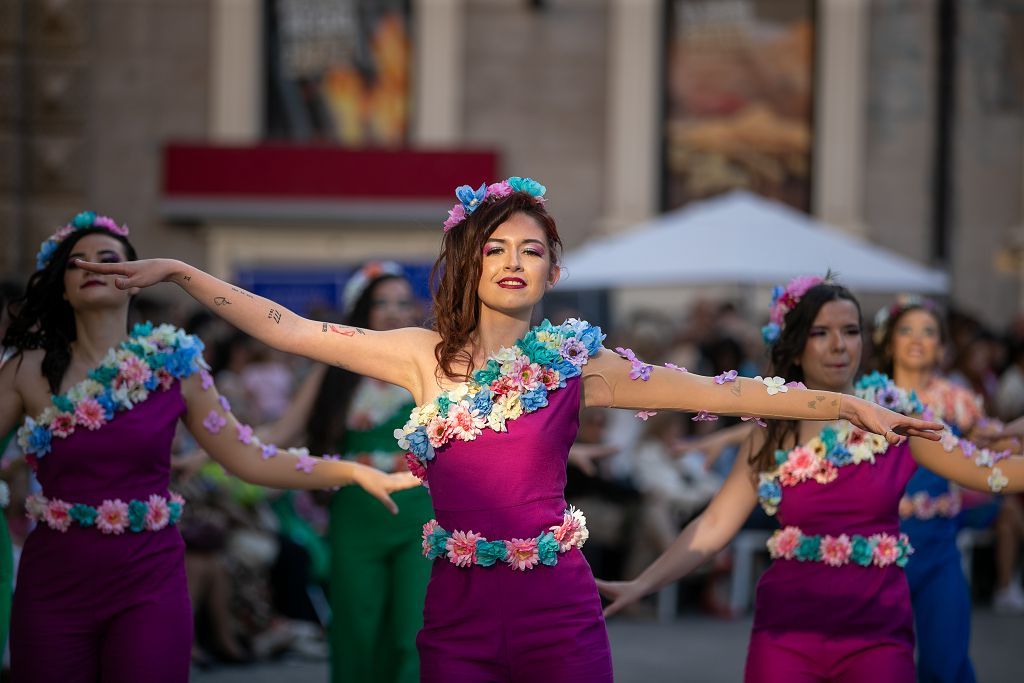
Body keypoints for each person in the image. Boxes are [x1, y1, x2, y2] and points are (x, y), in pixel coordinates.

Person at [77, 180, 939, 682]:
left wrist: (841, 404)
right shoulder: (421, 355)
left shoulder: (579, 364)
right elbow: (289, 329)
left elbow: (719, 386)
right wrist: (187, 272)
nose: (516, 261)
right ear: (469, 263)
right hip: (455, 614)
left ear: (553, 269)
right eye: (497, 248)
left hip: (557, 614)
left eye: (532, 248)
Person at [0, 212, 418, 682]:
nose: (95, 268)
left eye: (109, 258)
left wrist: (350, 473)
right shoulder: (24, 373)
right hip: (53, 584)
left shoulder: (174, 366)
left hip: (148, 584)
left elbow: (247, 456)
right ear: (60, 284)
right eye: (78, 262)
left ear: (135, 279)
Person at [597, 276, 1024, 683]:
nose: (839, 345)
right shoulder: (771, 430)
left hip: (876, 635)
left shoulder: (899, 415)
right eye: (821, 332)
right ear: (797, 346)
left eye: (851, 330)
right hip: (786, 635)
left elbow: (993, 474)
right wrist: (643, 583)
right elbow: (713, 525)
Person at [262, 261, 432, 683]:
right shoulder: (334, 368)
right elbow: (284, 429)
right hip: (356, 511)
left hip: (421, 512)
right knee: (356, 626)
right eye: (381, 303)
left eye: (402, 302)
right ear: (362, 311)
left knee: (414, 629)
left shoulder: (431, 363)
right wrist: (213, 442)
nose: (394, 312)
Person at [874, 295, 982, 681]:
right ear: (888, 341)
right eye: (906, 329)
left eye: (928, 331)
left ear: (942, 345)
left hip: (939, 547)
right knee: (882, 664)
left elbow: (990, 446)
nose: (917, 339)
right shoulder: (867, 397)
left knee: (945, 661)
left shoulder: (958, 399)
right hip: (879, 550)